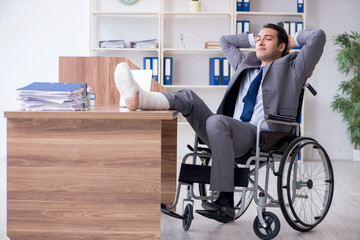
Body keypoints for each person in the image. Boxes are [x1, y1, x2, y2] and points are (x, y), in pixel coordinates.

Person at [114, 23, 326, 222]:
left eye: (267, 39)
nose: (260, 42)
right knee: (188, 97)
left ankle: (226, 200)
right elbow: (225, 41)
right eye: (258, 38)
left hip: (259, 136)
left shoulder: (294, 68)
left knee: (217, 122)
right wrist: (255, 40)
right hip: (225, 130)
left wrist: (292, 39)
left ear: (281, 46)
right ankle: (139, 99)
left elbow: (318, 37)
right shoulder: (246, 64)